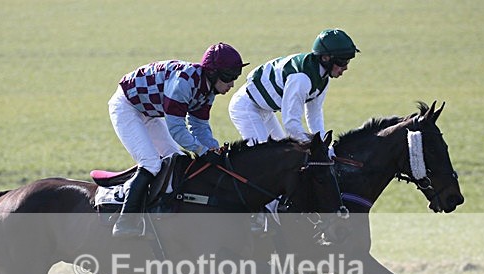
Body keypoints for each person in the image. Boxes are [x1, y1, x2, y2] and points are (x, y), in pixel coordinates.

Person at [109, 43, 248, 238]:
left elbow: (199, 127)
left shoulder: (207, 90)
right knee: (151, 163)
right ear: (212, 73)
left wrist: (214, 150)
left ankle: (161, 211)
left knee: (176, 160)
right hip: (127, 107)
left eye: (235, 77)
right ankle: (125, 221)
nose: (232, 84)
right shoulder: (184, 83)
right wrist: (202, 151)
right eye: (228, 77)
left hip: (150, 112)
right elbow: (177, 129)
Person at [228, 29, 359, 144]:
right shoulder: (301, 79)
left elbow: (314, 116)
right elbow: (291, 123)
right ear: (325, 58)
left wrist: (323, 144)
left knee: (283, 156)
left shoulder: (322, 78)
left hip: (266, 110)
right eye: (342, 61)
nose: (346, 67)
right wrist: (312, 145)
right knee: (267, 157)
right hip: (246, 108)